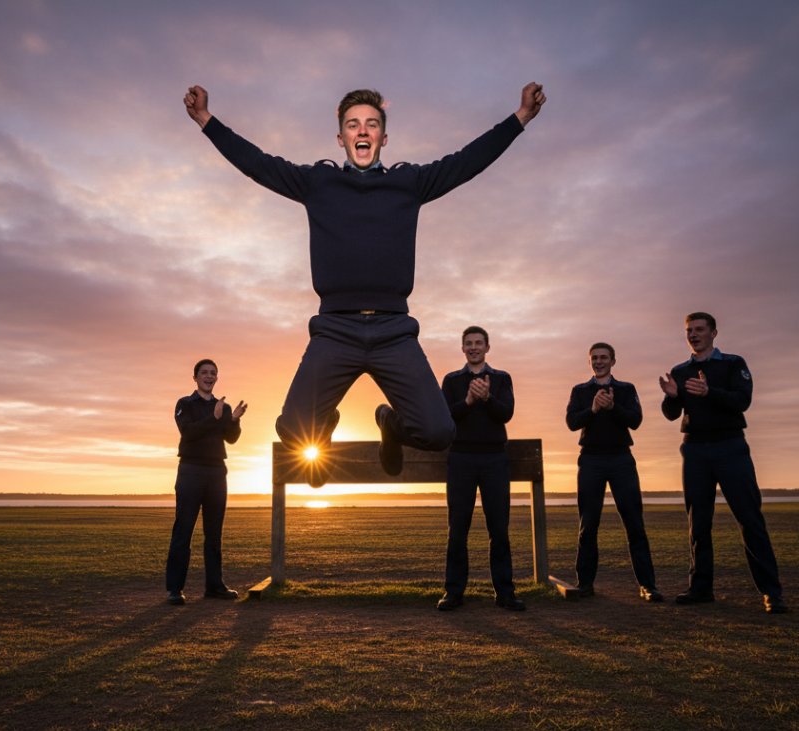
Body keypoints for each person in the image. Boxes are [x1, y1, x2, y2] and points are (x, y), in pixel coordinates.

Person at [184, 82, 546, 483]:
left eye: (371, 124)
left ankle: (390, 424)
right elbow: (258, 163)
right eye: (353, 124)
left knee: (439, 431)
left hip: (394, 330)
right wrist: (206, 121)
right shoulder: (316, 184)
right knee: (291, 430)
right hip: (335, 329)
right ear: (340, 138)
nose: (362, 131)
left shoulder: (409, 183)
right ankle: (327, 420)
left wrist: (521, 118)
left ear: (383, 137)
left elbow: (466, 162)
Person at [659, 313, 788, 613]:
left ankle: (772, 593)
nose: (693, 334)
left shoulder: (733, 363)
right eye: (689, 330)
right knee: (698, 524)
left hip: (730, 447)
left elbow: (742, 401)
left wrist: (709, 391)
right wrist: (671, 397)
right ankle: (700, 588)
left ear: (714, 332)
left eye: (699, 329)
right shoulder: (680, 370)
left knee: (749, 519)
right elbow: (670, 413)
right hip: (694, 451)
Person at [566, 342, 662, 602]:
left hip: (621, 460)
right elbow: (572, 422)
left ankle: (648, 586)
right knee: (588, 525)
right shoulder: (580, 391)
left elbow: (636, 420)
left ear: (613, 361)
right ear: (590, 362)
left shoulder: (626, 389)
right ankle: (585, 584)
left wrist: (612, 408)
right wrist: (594, 409)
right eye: (594, 358)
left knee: (634, 524)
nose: (599, 362)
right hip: (591, 461)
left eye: (604, 358)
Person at [437, 326, 524, 611]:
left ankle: (505, 592)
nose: (473, 347)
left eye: (478, 343)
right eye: (468, 343)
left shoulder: (501, 379)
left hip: (494, 460)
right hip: (461, 459)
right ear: (462, 348)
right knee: (457, 528)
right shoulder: (451, 381)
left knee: (498, 528)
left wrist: (487, 398)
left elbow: (506, 413)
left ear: (488, 347)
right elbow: (446, 418)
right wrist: (469, 401)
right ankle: (453, 592)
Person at [165, 359, 247, 606]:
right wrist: (214, 416)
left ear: (216, 378)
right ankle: (174, 589)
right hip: (191, 471)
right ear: (195, 377)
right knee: (184, 530)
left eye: (213, 373)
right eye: (204, 373)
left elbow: (231, 439)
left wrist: (233, 420)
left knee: (214, 533)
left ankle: (215, 586)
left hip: (216, 472)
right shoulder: (185, 404)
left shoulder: (223, 406)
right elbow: (188, 433)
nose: (209, 376)